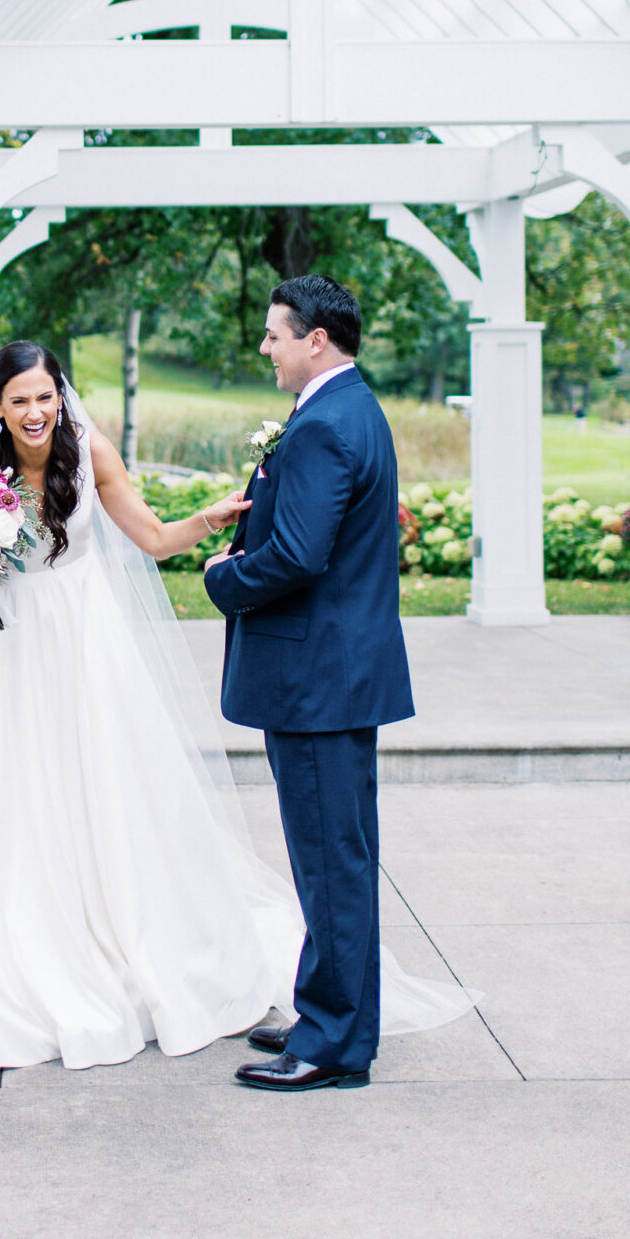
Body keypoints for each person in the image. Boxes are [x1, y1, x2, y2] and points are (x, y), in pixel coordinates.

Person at [0, 336, 477, 1073]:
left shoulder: (89, 454)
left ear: (59, 397)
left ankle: (147, 949)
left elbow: (155, 538)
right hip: (8, 659)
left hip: (85, 652)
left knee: (104, 794)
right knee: (17, 797)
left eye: (45, 395)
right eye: (20, 400)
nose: (36, 411)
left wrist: (213, 521)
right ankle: (29, 944)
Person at [204, 275, 419, 1092]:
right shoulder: (346, 407)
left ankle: (333, 1045)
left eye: (274, 334)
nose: (266, 347)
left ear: (315, 339)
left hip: (319, 678)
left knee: (330, 862)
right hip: (334, 674)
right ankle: (331, 1014)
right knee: (334, 858)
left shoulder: (328, 424)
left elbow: (297, 555)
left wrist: (226, 576)